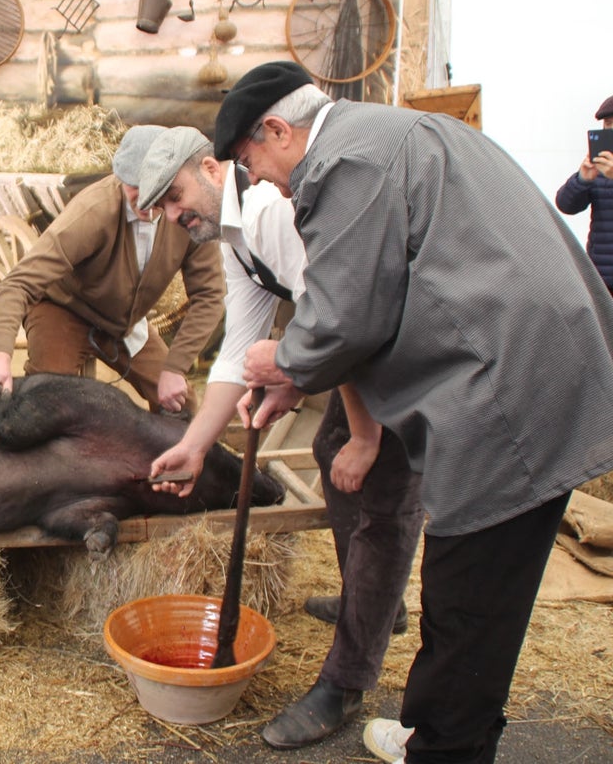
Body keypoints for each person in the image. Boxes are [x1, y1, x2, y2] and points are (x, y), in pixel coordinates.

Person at [219, 61, 613, 764]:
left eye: (254, 165)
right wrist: (302, 374)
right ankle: (443, 728)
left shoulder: (342, 166)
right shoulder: (392, 133)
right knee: (491, 587)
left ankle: (445, 743)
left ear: (278, 130)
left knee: (467, 595)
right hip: (549, 362)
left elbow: (344, 315)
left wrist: (282, 360)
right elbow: (388, 286)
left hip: (506, 387)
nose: (265, 185)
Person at [138, 126, 422, 750]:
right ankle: (376, 605)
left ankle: (346, 681)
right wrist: (196, 445)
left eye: (175, 194)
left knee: (380, 486)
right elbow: (238, 354)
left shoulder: (269, 213)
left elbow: (340, 321)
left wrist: (368, 437)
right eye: (161, 206)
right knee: (328, 450)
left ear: (212, 170)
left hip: (410, 347)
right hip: (364, 345)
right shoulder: (233, 240)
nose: (173, 213)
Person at [0, 125, 225, 412]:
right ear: (119, 175)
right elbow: (18, 283)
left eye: (154, 189)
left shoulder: (186, 213)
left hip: (125, 323)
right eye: (134, 185)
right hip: (65, 310)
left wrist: (175, 368)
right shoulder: (95, 210)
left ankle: (165, 457)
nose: (145, 199)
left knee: (182, 406)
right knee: (45, 403)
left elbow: (210, 295)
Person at [556, 94, 613, 294]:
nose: (611, 128)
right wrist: (582, 179)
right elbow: (565, 205)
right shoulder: (599, 167)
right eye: (608, 123)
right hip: (602, 280)